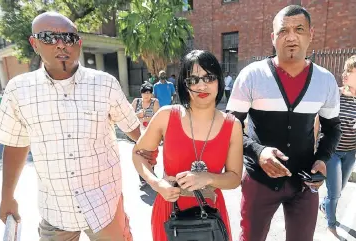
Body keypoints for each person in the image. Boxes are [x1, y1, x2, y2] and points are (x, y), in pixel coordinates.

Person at [0, 12, 155, 241]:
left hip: (105, 206)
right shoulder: (18, 91)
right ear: (34, 43)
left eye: (69, 38)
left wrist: (155, 153)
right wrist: (7, 196)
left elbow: (134, 130)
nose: (61, 44)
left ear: (79, 43)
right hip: (55, 210)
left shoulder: (104, 84)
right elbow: (16, 144)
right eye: (49, 37)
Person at [227, 5, 341, 241]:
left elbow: (332, 128)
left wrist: (322, 158)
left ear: (311, 35)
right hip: (259, 181)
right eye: (283, 31)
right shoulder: (252, 75)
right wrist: (258, 152)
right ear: (273, 37)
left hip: (304, 183)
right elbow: (231, 125)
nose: (291, 36)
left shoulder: (325, 80)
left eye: (299, 29)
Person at [132, 50, 243, 241]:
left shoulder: (232, 125)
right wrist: (157, 183)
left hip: (210, 214)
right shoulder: (167, 116)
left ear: (219, 81)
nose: (201, 85)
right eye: (193, 80)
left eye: (208, 77)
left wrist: (207, 178)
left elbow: (234, 179)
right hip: (169, 208)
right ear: (184, 85)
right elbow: (138, 154)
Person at [318, 55, 356, 239]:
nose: (346, 75)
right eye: (348, 71)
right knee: (334, 192)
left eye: (351, 71)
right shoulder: (337, 95)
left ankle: (324, 206)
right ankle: (331, 225)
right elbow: (323, 120)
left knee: (339, 189)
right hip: (332, 151)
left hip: (351, 152)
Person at [131, 82, 160, 188]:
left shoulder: (155, 102)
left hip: (151, 133)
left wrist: (147, 119)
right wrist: (138, 115)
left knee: (151, 155)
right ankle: (143, 179)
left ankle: (150, 174)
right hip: (138, 134)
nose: (146, 95)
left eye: (149, 92)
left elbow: (158, 117)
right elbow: (128, 117)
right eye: (144, 92)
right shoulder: (136, 101)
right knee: (140, 155)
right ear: (141, 93)